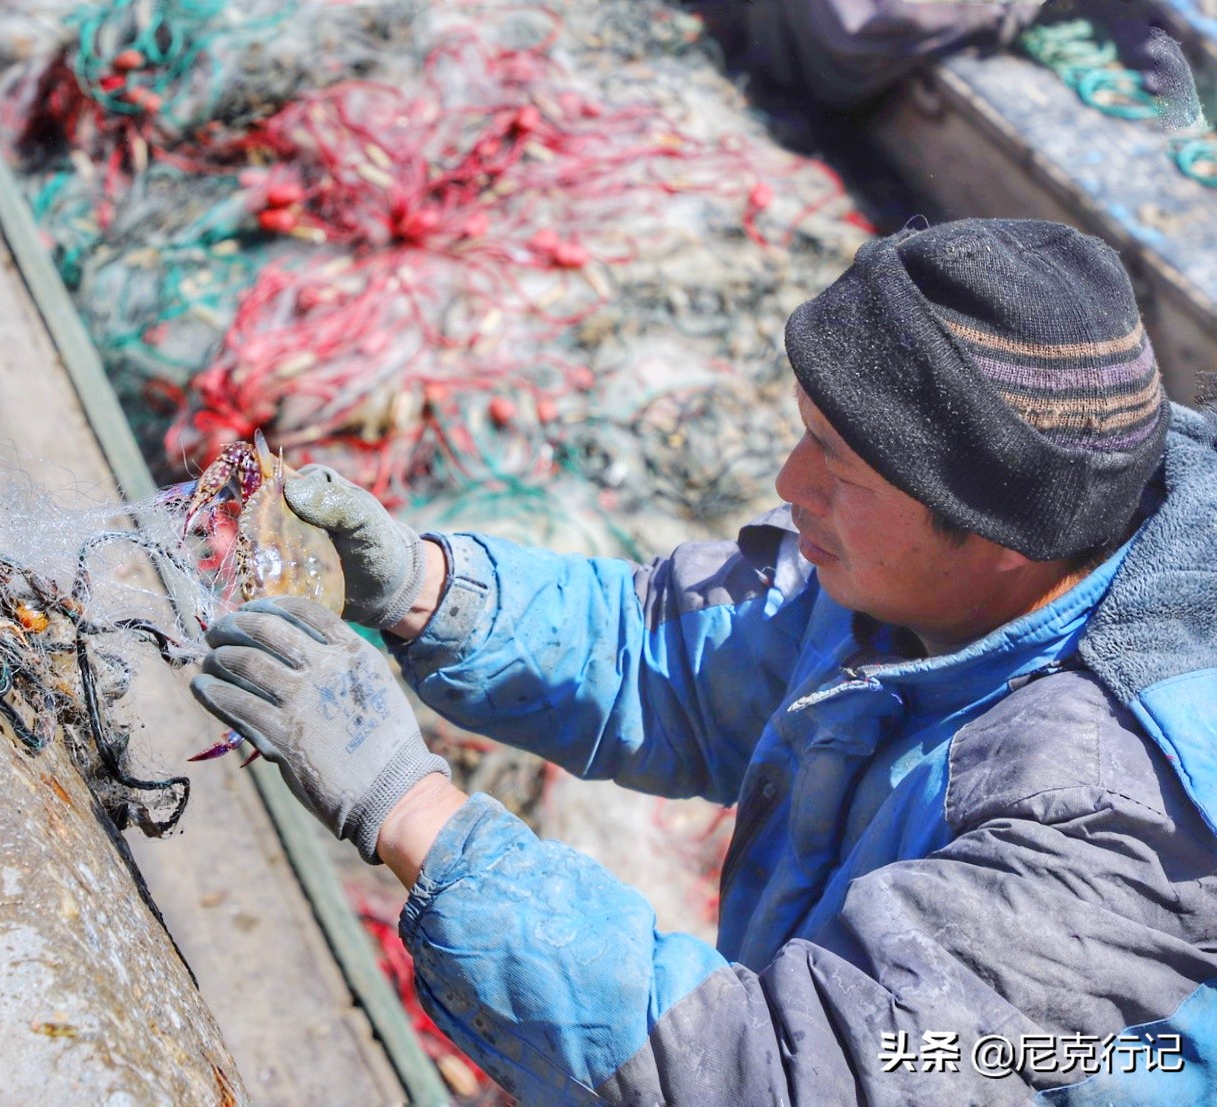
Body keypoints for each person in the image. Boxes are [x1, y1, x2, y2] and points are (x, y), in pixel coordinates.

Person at [189, 218, 1217, 1105]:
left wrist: (408, 809)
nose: (787, 482)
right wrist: (418, 588)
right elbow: (675, 658)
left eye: (838, 469)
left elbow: (779, 1076)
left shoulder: (1111, 834)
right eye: (805, 435)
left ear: (998, 535)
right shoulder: (932, 578)